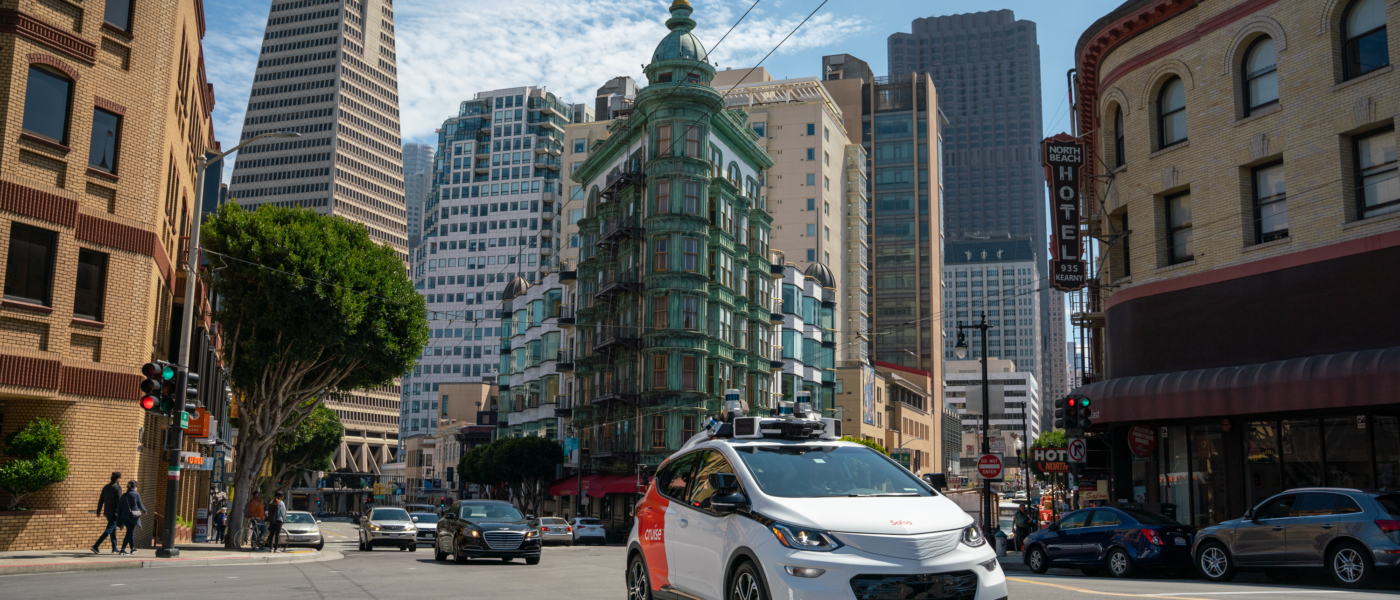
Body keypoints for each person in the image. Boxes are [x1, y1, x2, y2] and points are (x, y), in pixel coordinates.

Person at [92, 472, 123, 554]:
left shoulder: (106, 487)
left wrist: (99, 511)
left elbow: (101, 500)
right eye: (119, 478)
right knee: (109, 529)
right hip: (114, 512)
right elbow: (119, 502)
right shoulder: (118, 488)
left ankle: (114, 547)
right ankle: (95, 546)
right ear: (117, 479)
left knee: (113, 529)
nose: (120, 479)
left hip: (107, 512)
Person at [117, 480, 147, 555]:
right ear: (134, 486)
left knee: (130, 532)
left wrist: (119, 516)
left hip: (124, 517)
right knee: (129, 532)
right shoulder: (136, 495)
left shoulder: (124, 495)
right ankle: (123, 549)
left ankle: (132, 548)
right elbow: (140, 504)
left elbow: (119, 506)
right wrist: (144, 511)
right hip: (132, 517)